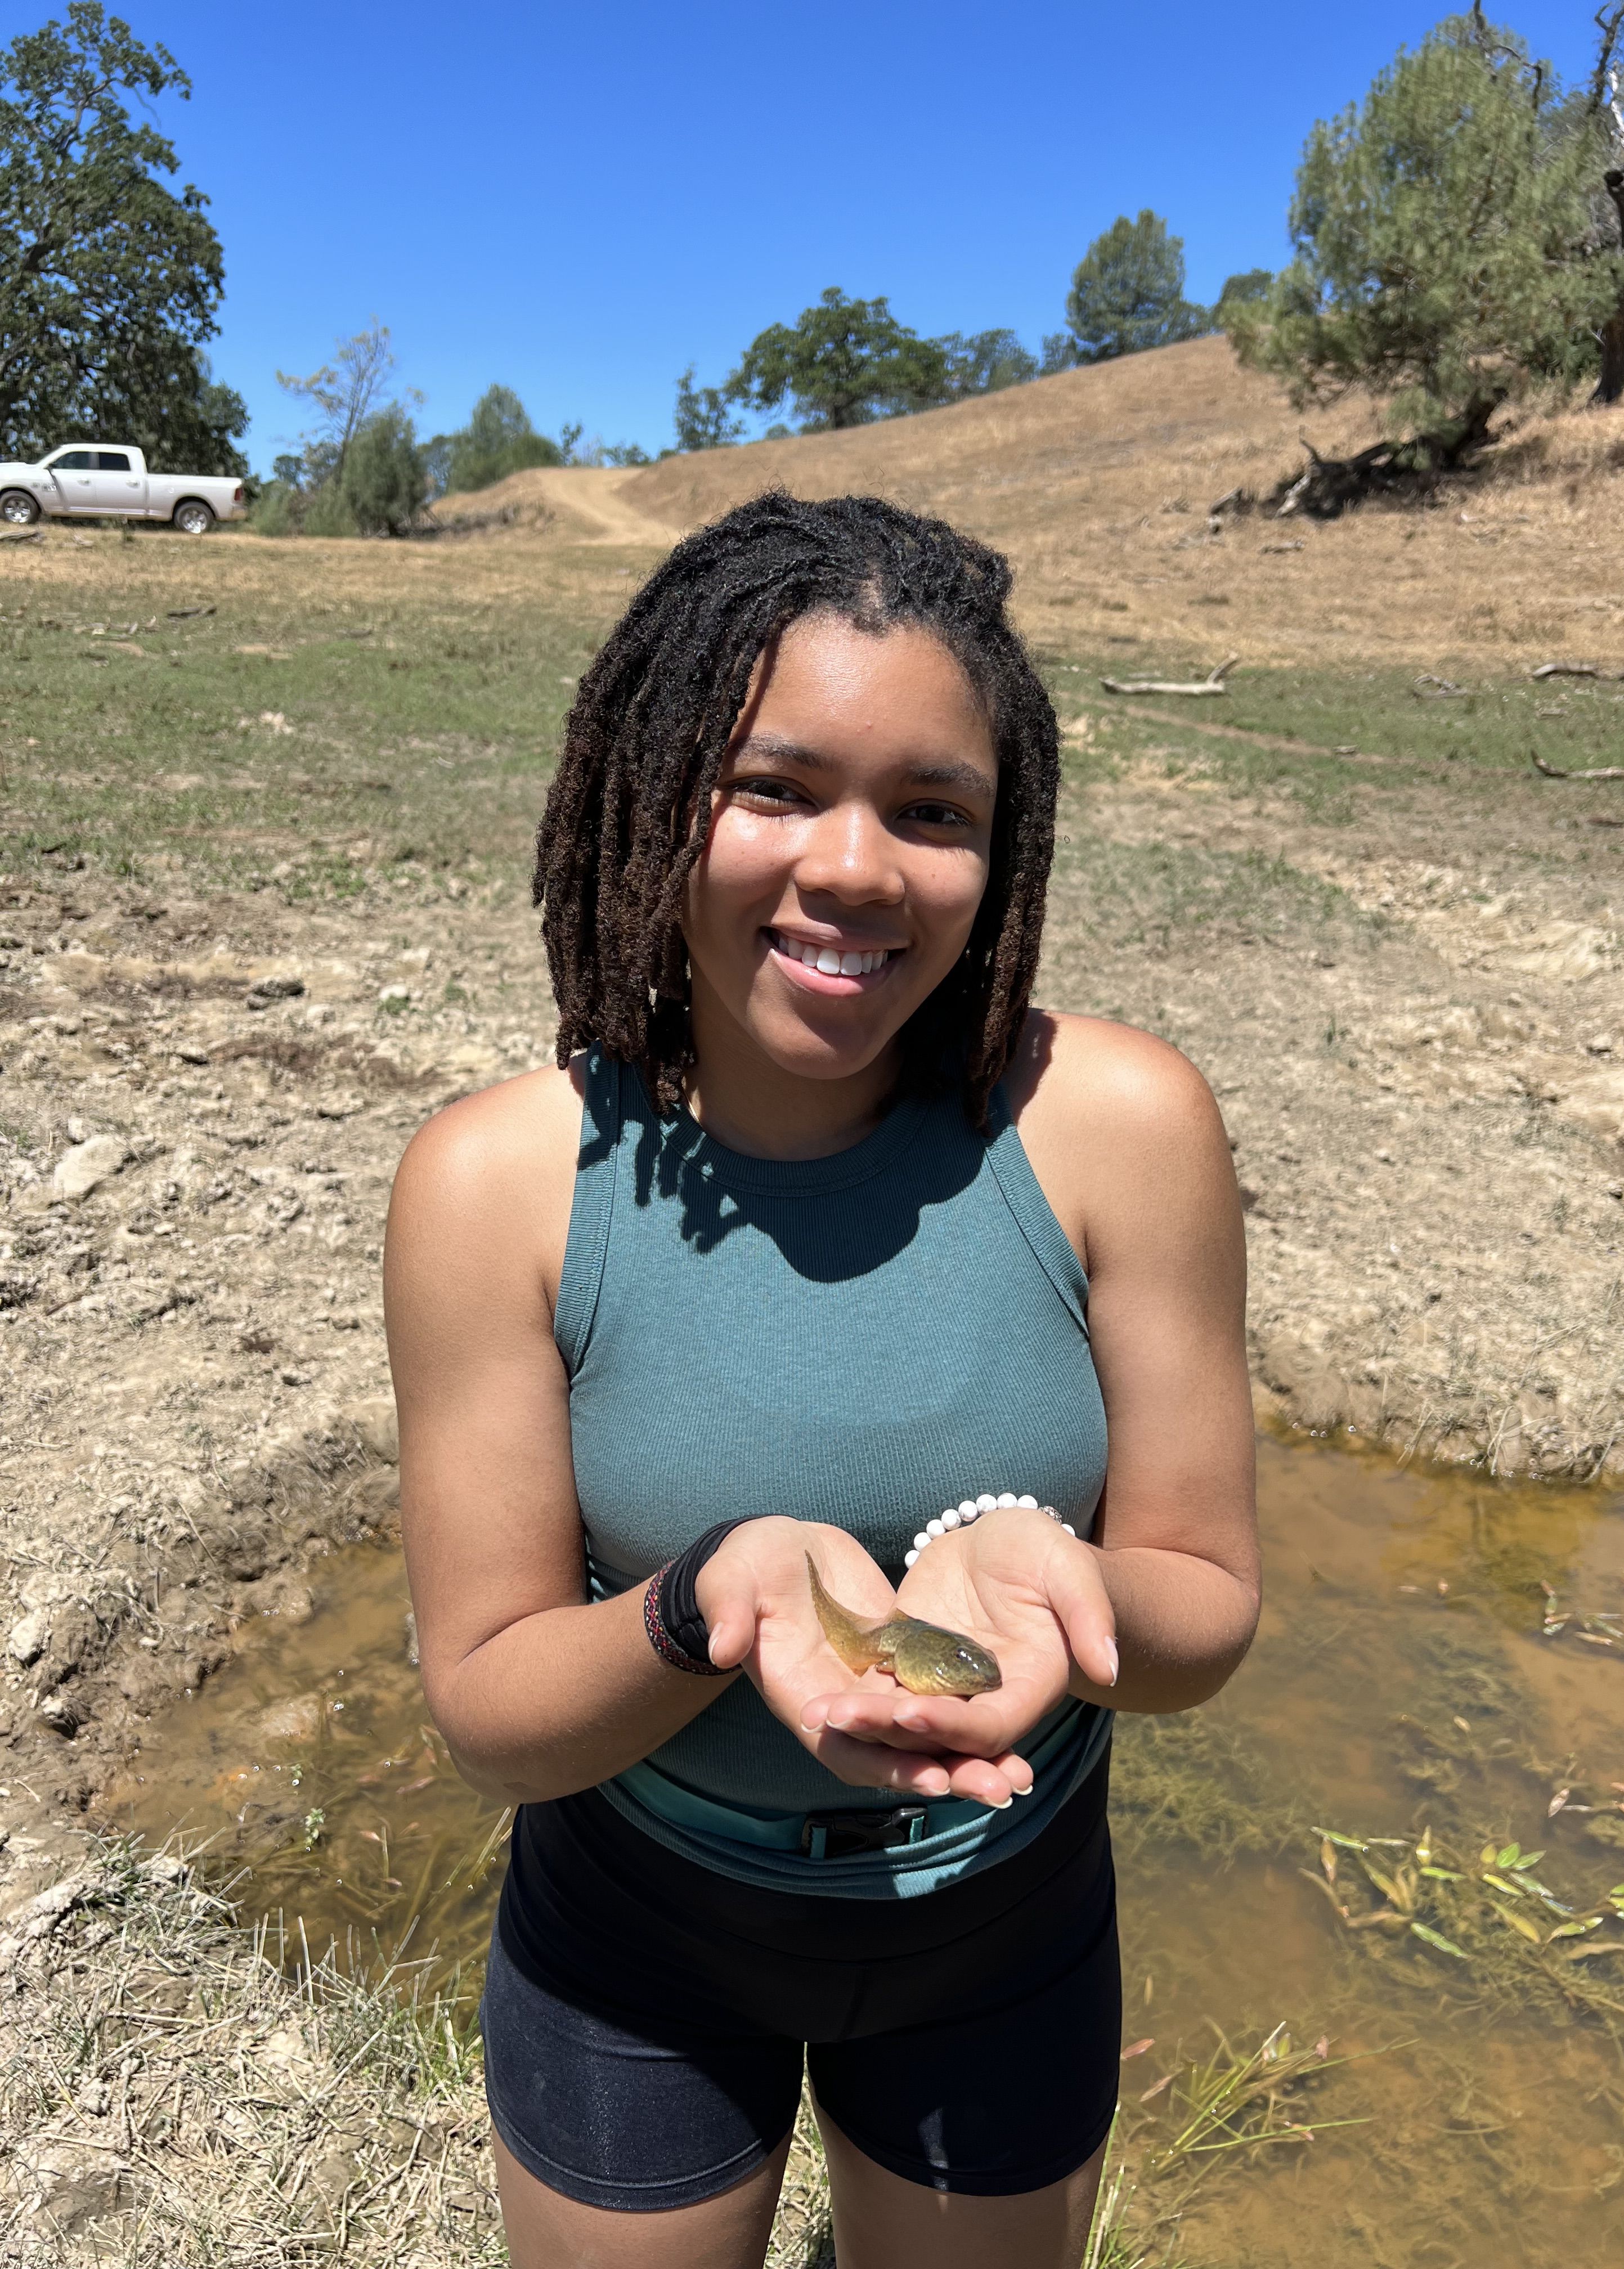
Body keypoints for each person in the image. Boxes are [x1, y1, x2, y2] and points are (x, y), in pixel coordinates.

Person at [384, 491, 1259, 2269]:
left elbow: (1210, 1610)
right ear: (649, 792)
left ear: (1001, 851)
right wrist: (703, 1602)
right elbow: (487, 1709)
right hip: (635, 1939)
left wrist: (1072, 1586)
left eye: (933, 811)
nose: (858, 869)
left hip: (1005, 1935)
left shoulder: (1121, 1127)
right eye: (775, 787)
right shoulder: (496, 1187)